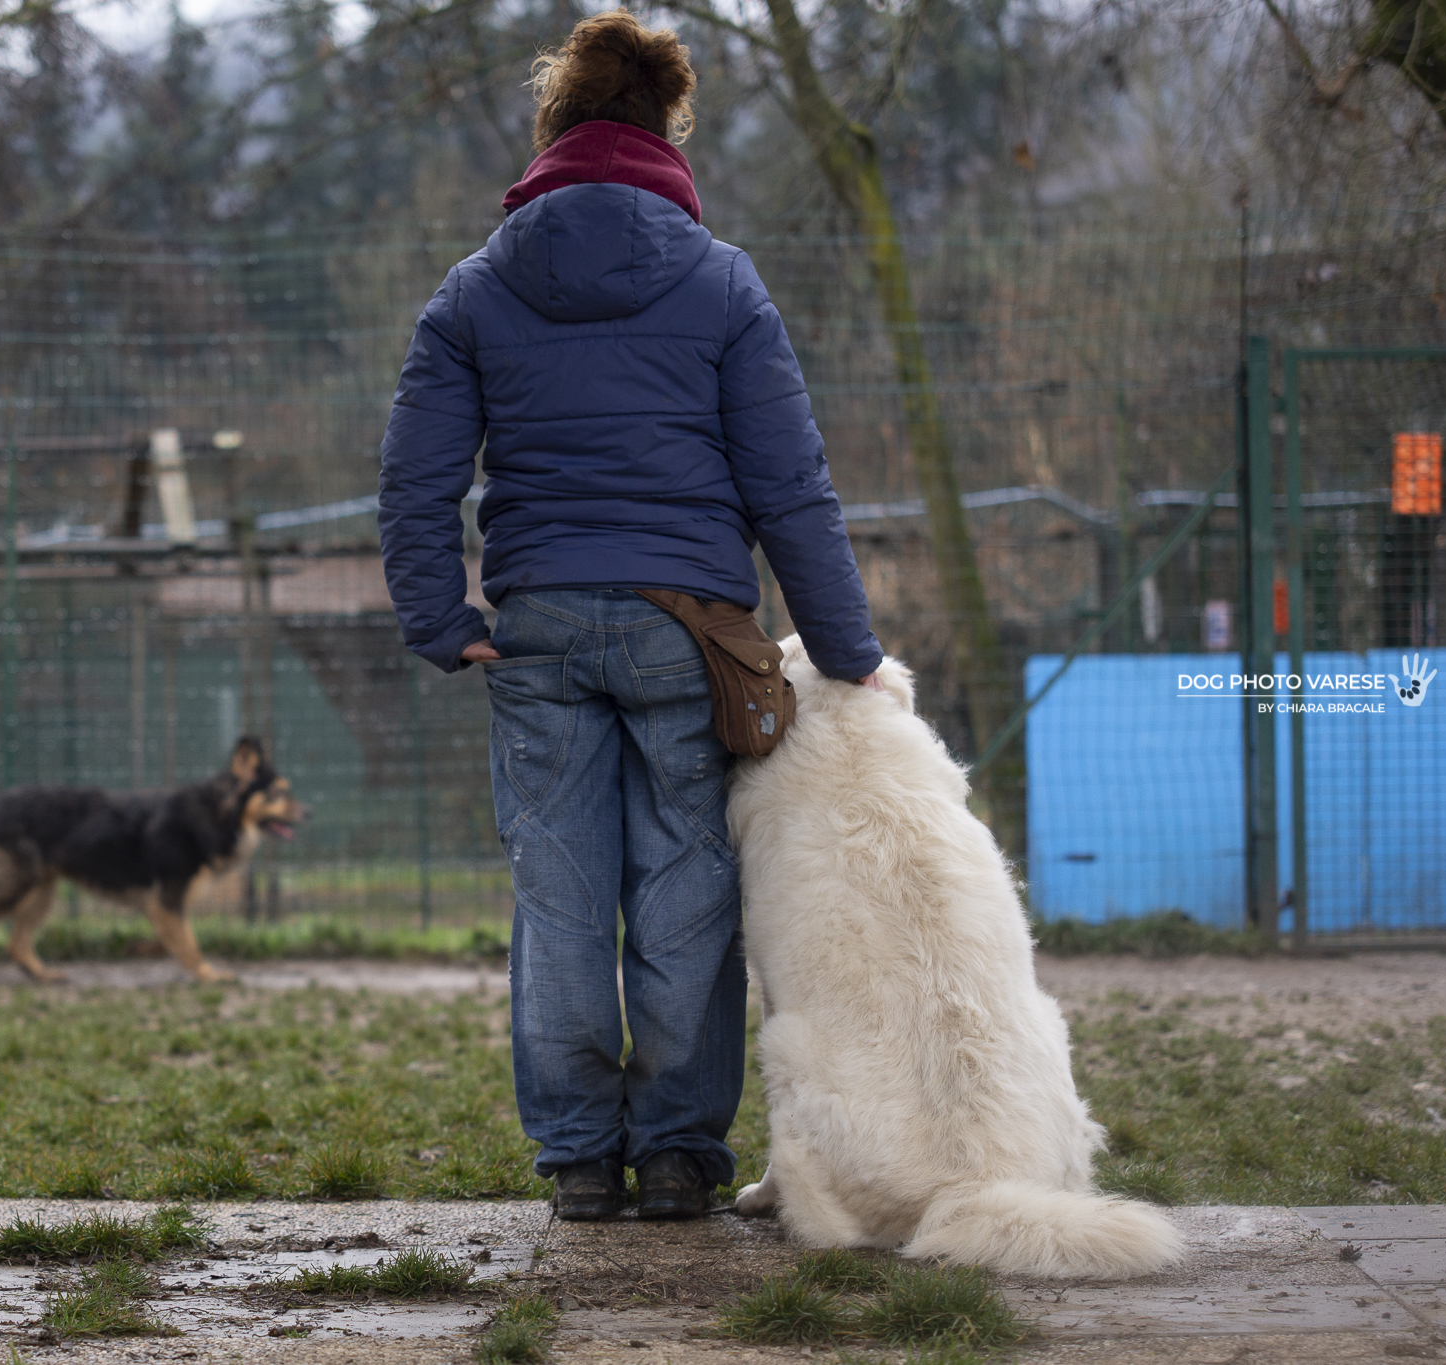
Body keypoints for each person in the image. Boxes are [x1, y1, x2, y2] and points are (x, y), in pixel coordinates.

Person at [376, 9, 884, 1222]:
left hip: (539, 624)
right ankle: (673, 1155)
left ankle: (575, 1162)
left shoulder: (474, 288)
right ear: (666, 126)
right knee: (685, 892)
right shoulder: (720, 282)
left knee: (556, 900)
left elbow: (412, 478)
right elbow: (787, 488)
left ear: (553, 125)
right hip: (686, 631)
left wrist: (439, 619)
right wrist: (849, 651)